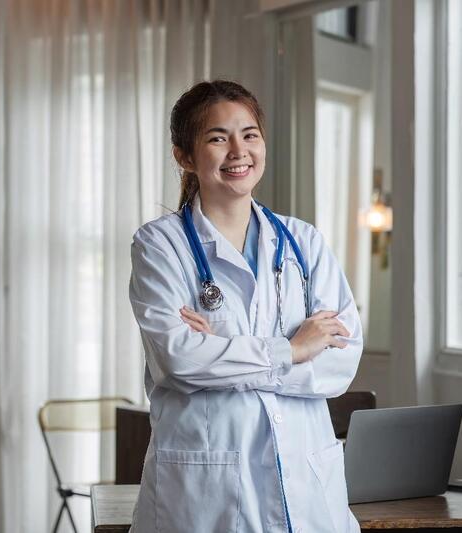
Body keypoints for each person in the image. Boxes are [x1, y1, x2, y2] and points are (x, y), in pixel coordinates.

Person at [128, 80, 363, 533]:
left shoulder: (304, 241)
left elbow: (340, 364)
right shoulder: (160, 245)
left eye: (249, 134)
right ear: (185, 156)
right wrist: (291, 349)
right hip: (206, 494)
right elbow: (178, 361)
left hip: (307, 487)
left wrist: (223, 352)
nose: (239, 151)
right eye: (218, 137)